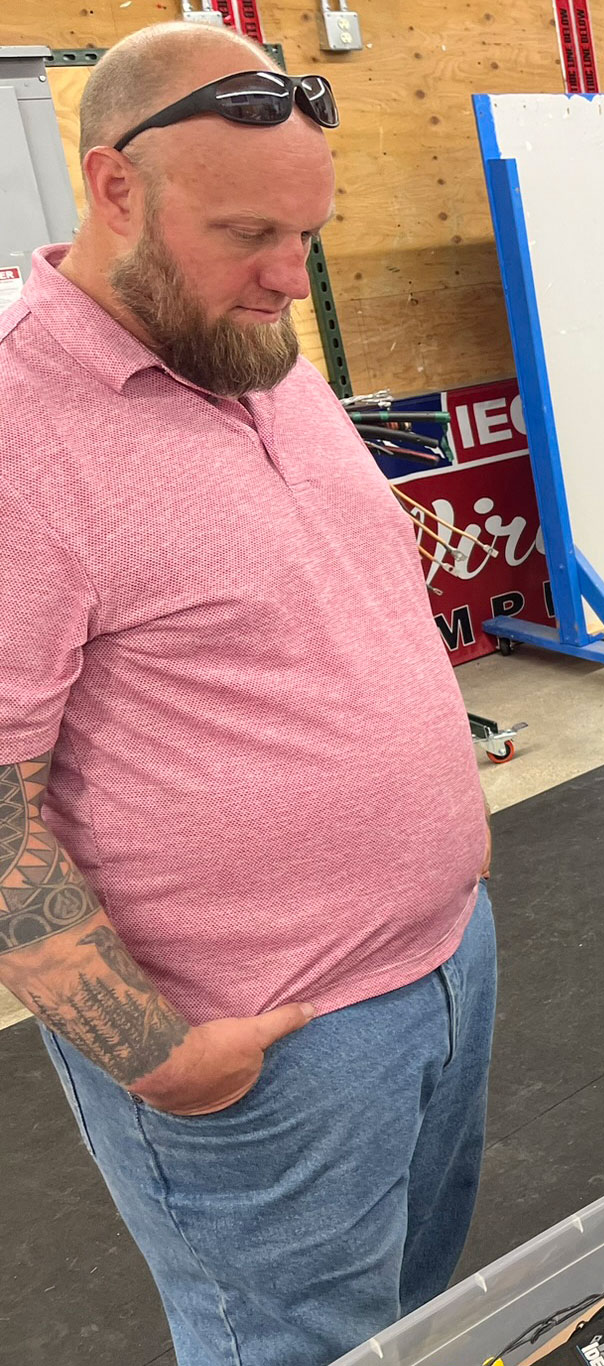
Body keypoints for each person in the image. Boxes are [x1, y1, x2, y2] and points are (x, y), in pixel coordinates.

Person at [0, 25, 494, 1365]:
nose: (290, 275)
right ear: (114, 188)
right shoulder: (18, 428)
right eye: (248, 235)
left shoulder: (252, 341)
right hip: (259, 1052)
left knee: (414, 1319)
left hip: (445, 966)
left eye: (307, 234)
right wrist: (158, 1053)